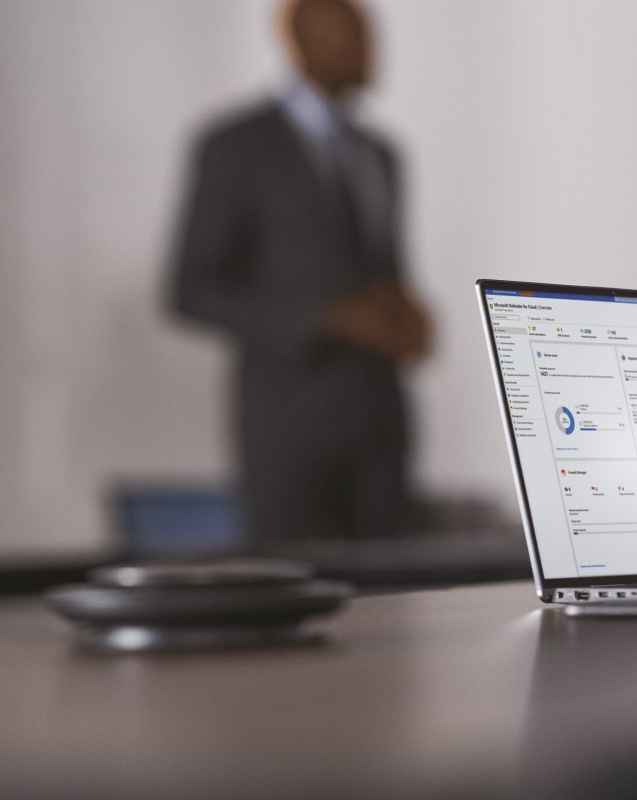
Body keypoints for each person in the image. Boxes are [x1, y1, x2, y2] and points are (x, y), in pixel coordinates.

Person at [171, 0, 431, 543]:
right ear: (298, 38)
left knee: (397, 602)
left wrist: (404, 314)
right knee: (293, 597)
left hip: (381, 428)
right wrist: (326, 320)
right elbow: (190, 289)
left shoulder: (380, 154)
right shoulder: (236, 147)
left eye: (369, 33)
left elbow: (380, 267)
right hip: (289, 427)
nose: (368, 49)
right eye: (350, 33)